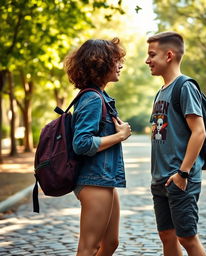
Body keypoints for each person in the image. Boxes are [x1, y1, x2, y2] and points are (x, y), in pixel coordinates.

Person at [64, 38, 131, 256]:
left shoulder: (100, 96)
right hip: (93, 180)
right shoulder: (92, 98)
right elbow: (81, 143)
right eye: (116, 60)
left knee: (110, 243)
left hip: (104, 178)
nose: (120, 65)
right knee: (89, 247)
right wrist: (119, 136)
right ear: (101, 63)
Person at [146, 31, 206, 256]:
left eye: (152, 55)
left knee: (187, 238)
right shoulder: (161, 91)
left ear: (169, 55)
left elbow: (199, 132)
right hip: (160, 179)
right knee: (167, 236)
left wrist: (183, 173)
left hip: (180, 178)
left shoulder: (185, 86)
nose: (147, 60)